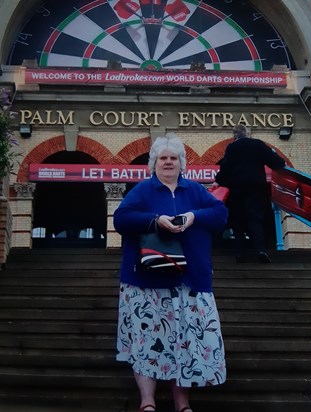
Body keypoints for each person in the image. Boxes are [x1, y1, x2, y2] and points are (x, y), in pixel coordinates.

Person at [114, 133, 228, 412]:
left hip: (189, 280)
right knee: (146, 343)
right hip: (147, 281)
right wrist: (155, 221)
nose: (168, 162)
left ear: (181, 163)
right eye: (163, 158)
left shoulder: (195, 191)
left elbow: (221, 215)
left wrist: (194, 216)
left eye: (173, 158)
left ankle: (182, 402)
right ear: (154, 163)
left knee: (184, 343)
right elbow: (120, 219)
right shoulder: (143, 190)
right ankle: (147, 401)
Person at [212, 124, 286, 263]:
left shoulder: (231, 148)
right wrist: (282, 164)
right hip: (256, 188)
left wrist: (218, 181)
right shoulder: (257, 144)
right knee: (255, 218)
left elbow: (225, 167)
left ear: (235, 136)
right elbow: (275, 161)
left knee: (237, 219)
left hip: (236, 189)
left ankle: (239, 252)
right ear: (247, 134)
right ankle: (261, 250)